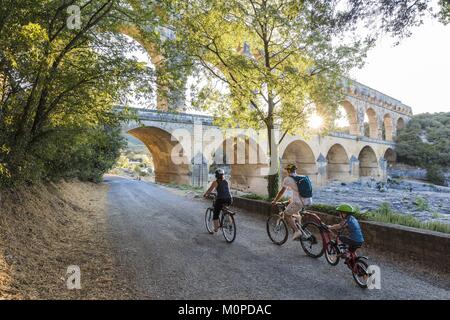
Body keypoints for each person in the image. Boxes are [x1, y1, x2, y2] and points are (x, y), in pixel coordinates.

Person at [271, 164, 313, 241]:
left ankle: (297, 231)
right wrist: (291, 200)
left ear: (288, 171)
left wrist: (275, 201)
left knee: (287, 215)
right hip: (308, 201)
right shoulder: (302, 177)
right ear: (295, 170)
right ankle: (299, 225)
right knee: (296, 213)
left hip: (299, 203)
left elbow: (281, 192)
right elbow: (297, 191)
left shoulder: (288, 179)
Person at [203, 169, 233, 233]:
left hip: (220, 199)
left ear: (216, 175)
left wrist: (205, 194)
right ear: (222, 175)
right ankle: (230, 224)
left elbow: (210, 190)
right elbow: (225, 191)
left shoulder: (215, 182)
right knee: (225, 209)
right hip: (229, 199)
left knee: (216, 214)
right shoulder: (226, 181)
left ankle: (216, 229)